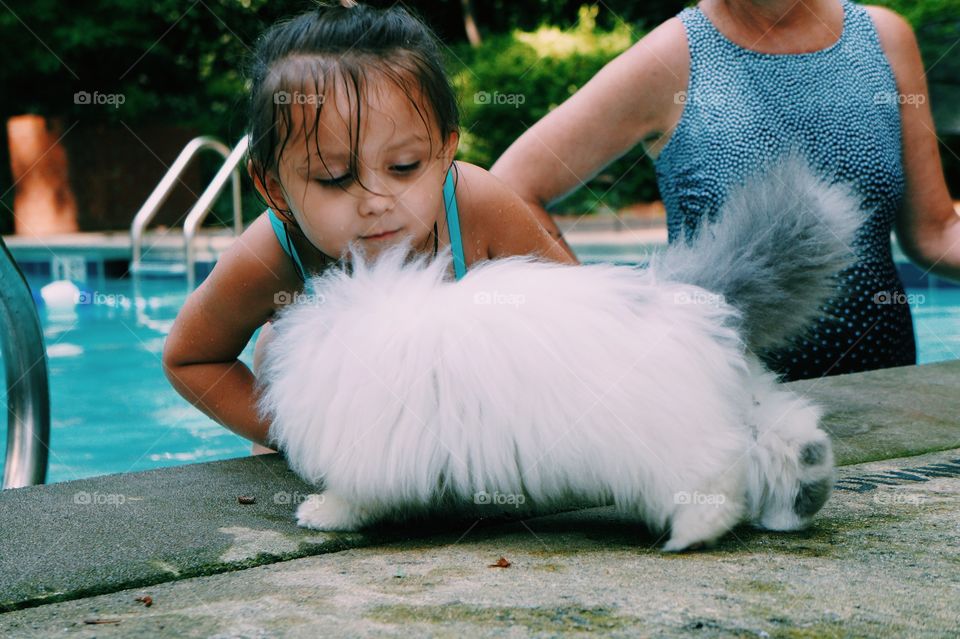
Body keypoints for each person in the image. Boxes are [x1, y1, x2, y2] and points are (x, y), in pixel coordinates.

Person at [162, 1, 573, 451]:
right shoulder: (272, 253)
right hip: (333, 413)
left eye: (404, 166)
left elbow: (580, 321)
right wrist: (301, 436)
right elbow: (191, 358)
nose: (376, 202)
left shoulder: (478, 206)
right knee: (278, 355)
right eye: (334, 178)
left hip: (458, 413)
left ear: (443, 153)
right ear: (275, 189)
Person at [492, 0, 960, 381]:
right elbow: (510, 188)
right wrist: (610, 325)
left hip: (885, 388)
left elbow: (935, 231)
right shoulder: (672, 57)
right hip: (731, 406)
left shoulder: (883, 37)